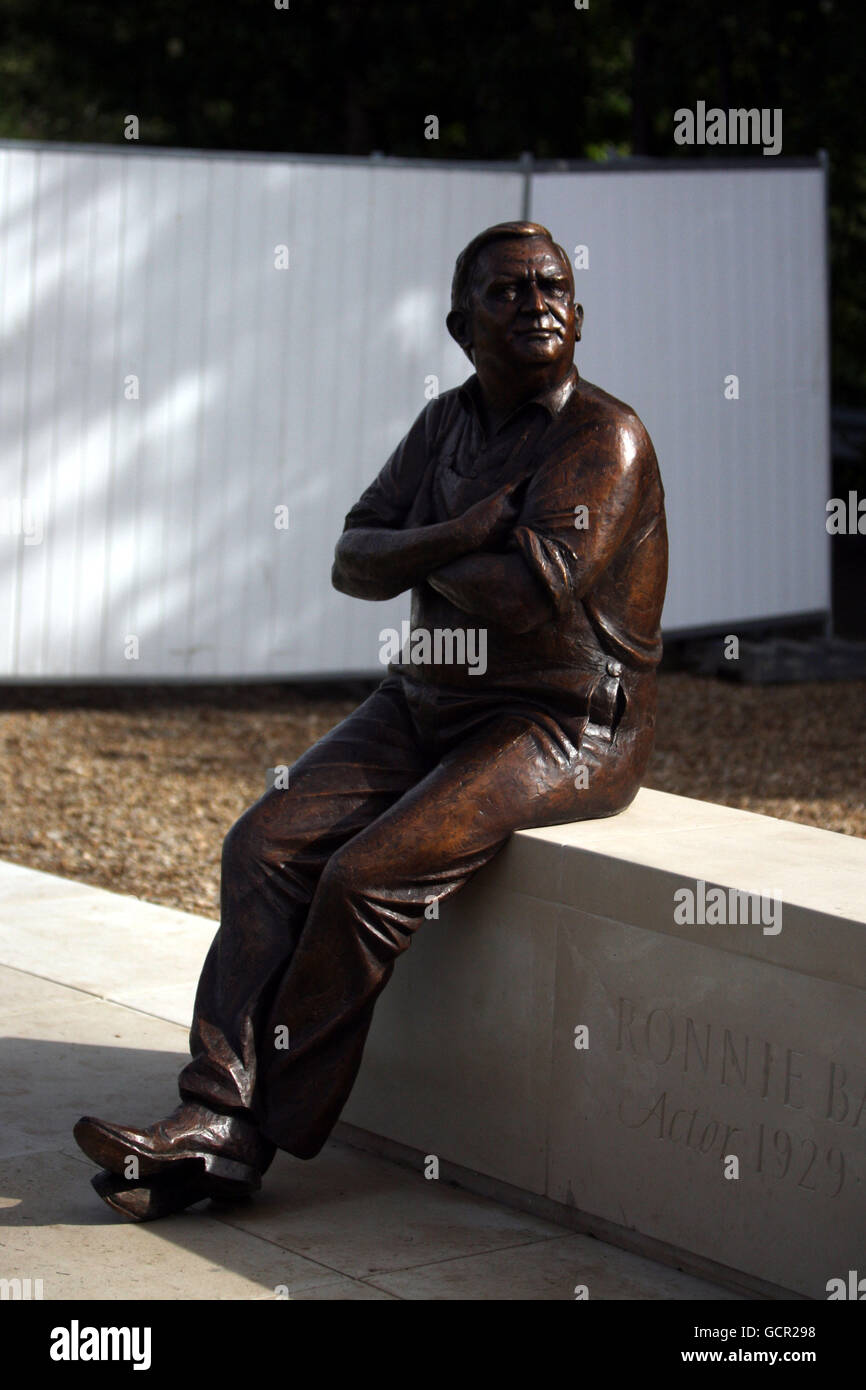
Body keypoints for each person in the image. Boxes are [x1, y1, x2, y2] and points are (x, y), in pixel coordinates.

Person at [74, 220, 668, 1220]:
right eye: (506, 293)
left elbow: (523, 594)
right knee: (260, 843)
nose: (535, 305)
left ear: (580, 314)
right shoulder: (444, 426)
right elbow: (350, 559)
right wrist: (462, 529)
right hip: (425, 693)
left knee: (361, 875)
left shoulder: (602, 439)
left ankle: (234, 1129)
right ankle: (212, 1117)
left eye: (551, 287)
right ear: (457, 325)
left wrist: (416, 548)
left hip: (560, 722)